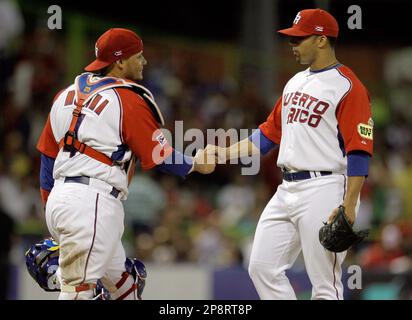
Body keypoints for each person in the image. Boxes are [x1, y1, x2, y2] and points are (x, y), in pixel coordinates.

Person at [36, 28, 215, 300]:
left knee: (124, 284)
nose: (144, 62)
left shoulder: (64, 96)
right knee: (78, 293)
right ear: (120, 61)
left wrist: (55, 209)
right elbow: (158, 155)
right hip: (92, 203)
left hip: (63, 200)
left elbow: (47, 161)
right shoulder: (126, 98)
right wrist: (195, 164)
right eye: (138, 56)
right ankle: (60, 276)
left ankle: (59, 273)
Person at [206, 9, 373, 299]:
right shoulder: (295, 82)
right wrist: (222, 153)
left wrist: (349, 204)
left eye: (299, 39)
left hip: (325, 187)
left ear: (321, 40)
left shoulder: (348, 86)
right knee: (261, 266)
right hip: (287, 188)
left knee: (325, 283)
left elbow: (359, 150)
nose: (292, 45)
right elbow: (268, 136)